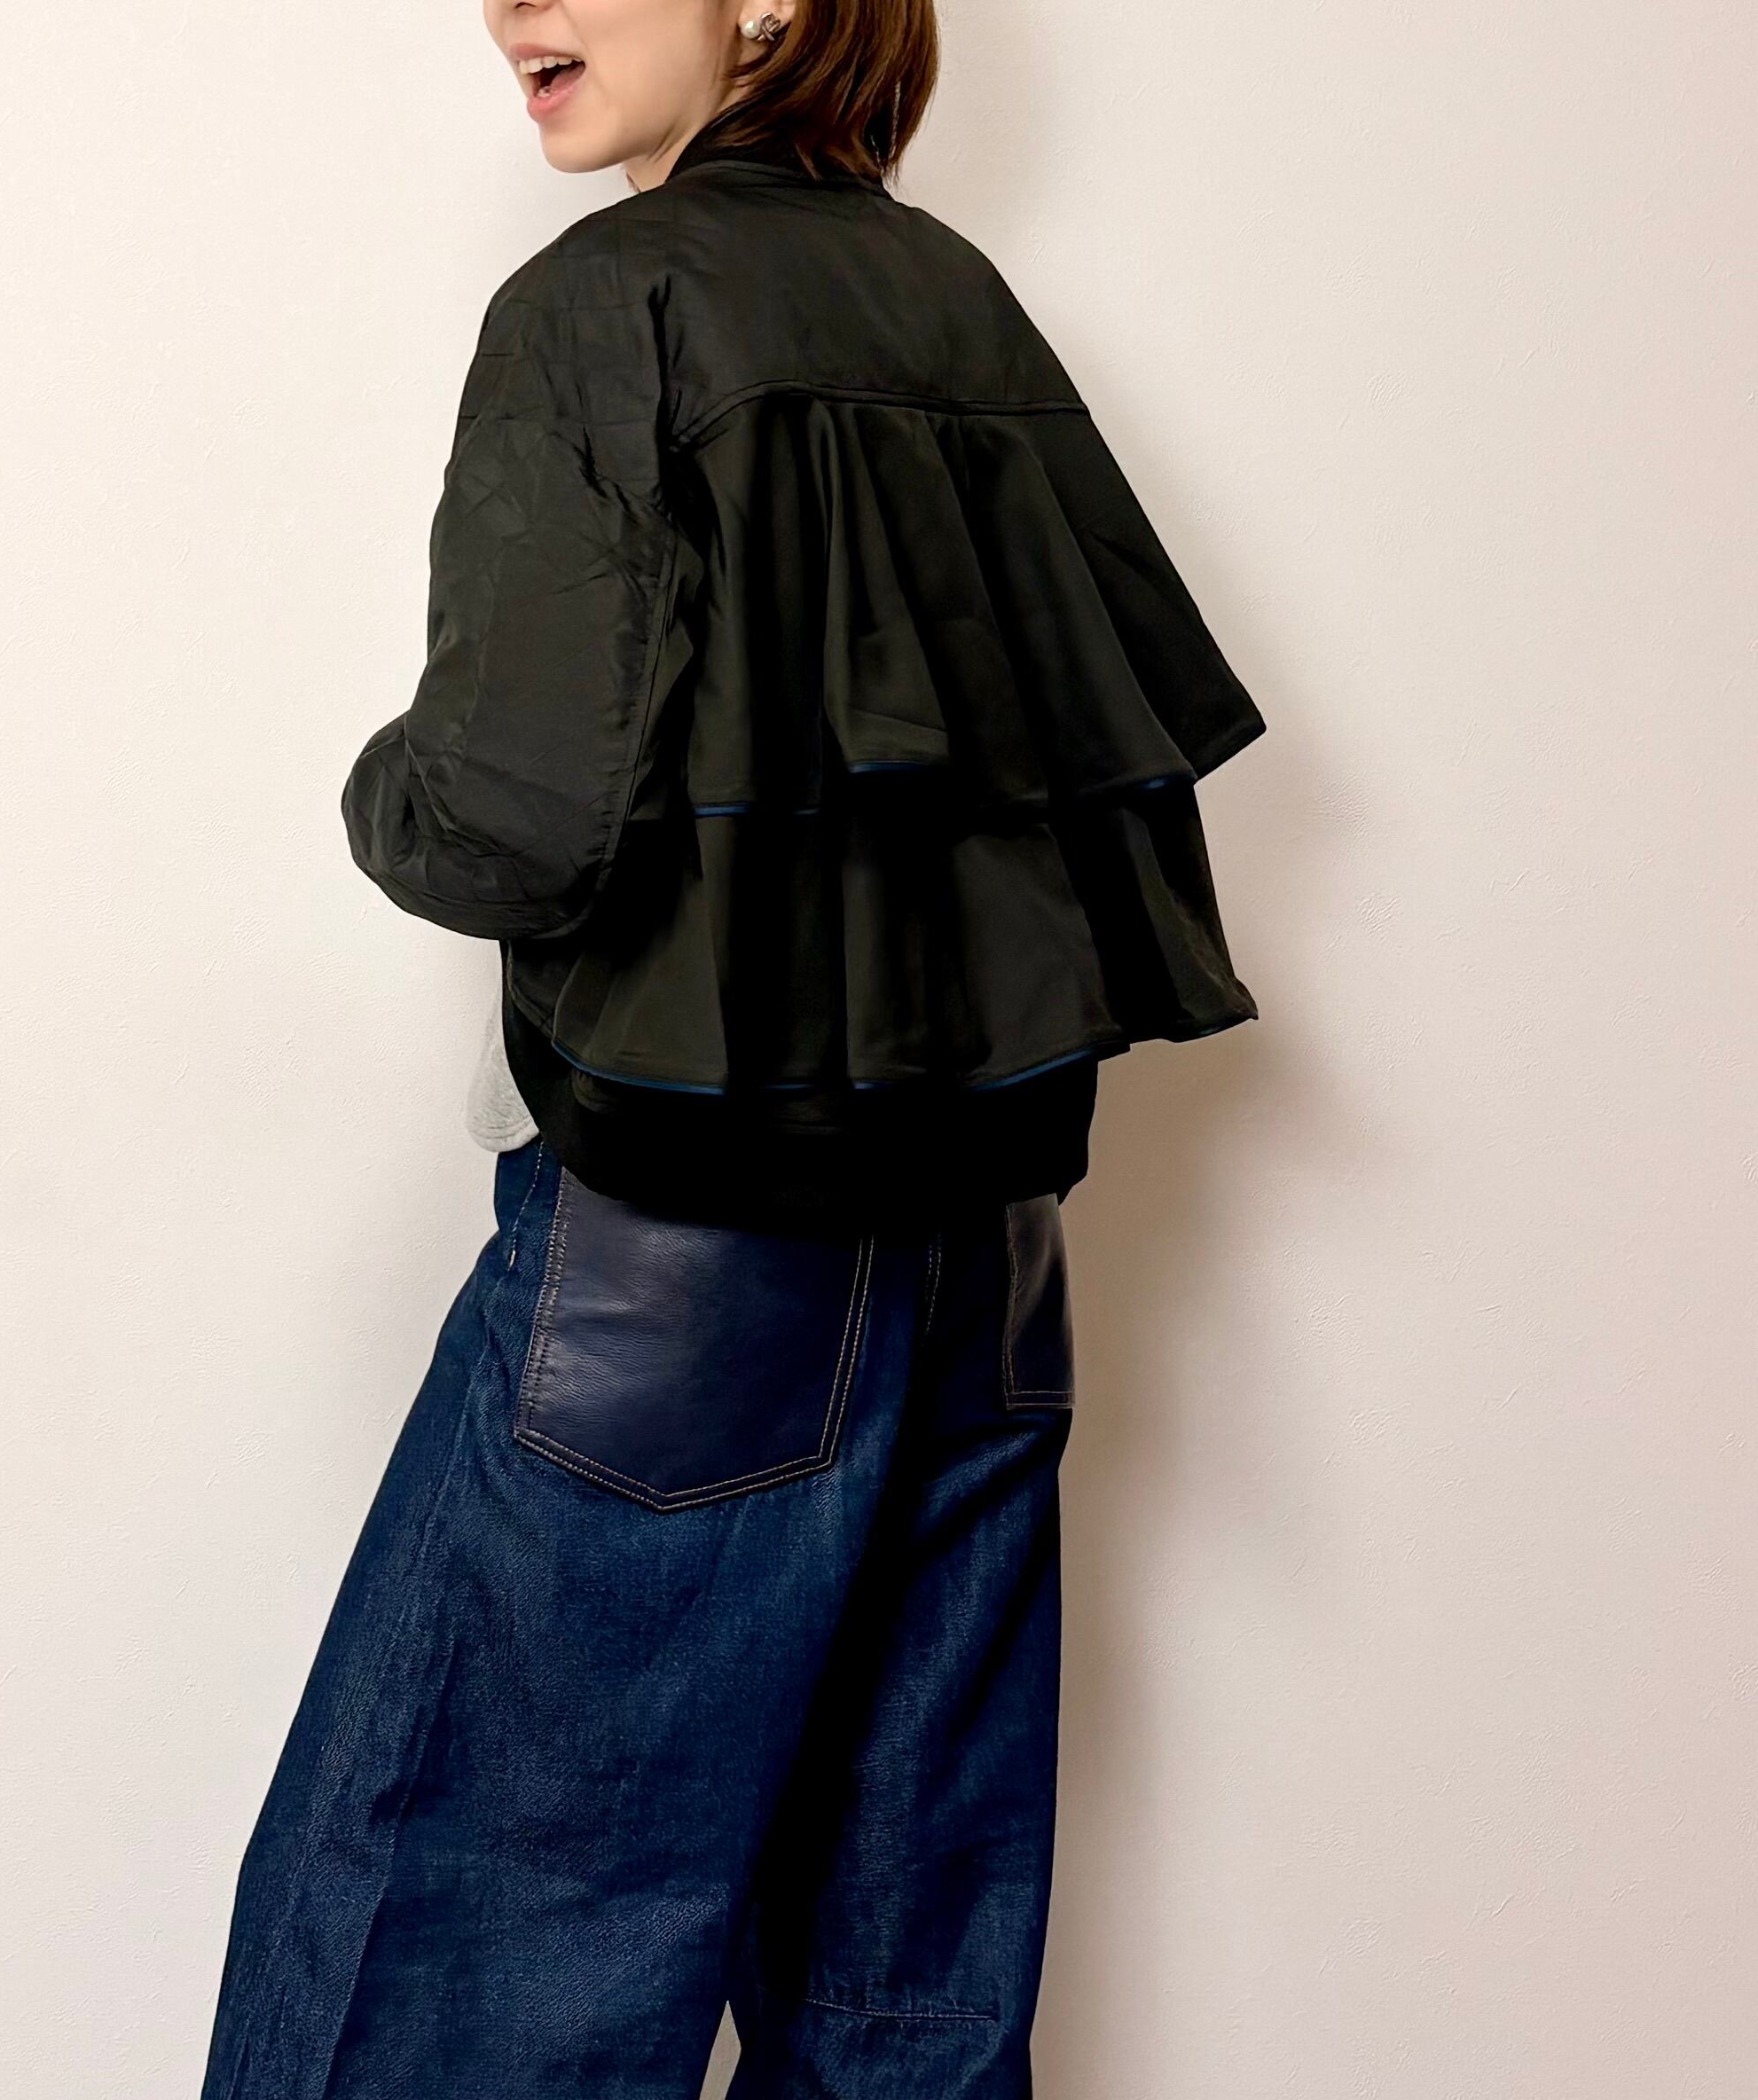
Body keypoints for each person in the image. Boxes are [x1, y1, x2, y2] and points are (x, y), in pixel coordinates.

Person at [200, 0, 1267, 2092]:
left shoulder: (605, 303)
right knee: (898, 2005)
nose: (512, 5)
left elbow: (506, 811)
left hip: (682, 1288)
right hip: (980, 1278)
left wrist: (377, 786)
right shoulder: (959, 306)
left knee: (443, 1983)